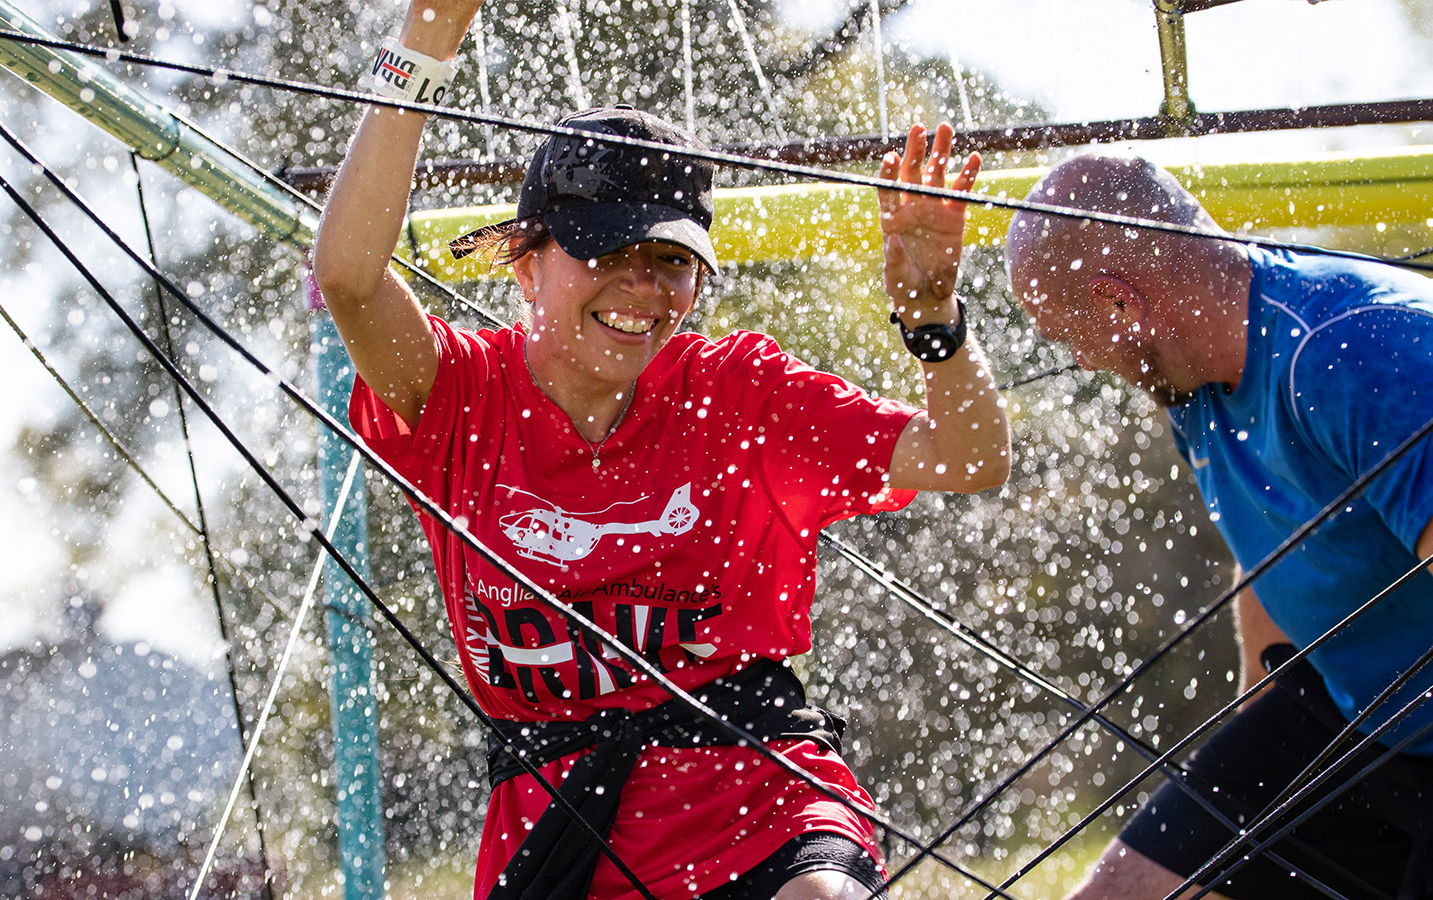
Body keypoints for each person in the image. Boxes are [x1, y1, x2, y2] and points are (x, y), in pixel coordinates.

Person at [310, 2, 1011, 898]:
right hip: (562, 837)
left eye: (670, 260)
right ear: (527, 265)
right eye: (607, 251)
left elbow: (968, 457)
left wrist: (932, 320)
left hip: (763, 811)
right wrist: (424, 46)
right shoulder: (457, 396)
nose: (642, 287)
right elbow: (349, 278)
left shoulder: (740, 390)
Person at [1000, 152, 1433, 900]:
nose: (1077, 359)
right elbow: (1267, 553)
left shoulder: (1355, 351)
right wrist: (1244, 753)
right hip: (1355, 722)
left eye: (1067, 335)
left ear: (1118, 303)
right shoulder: (1192, 378)